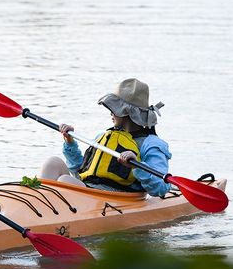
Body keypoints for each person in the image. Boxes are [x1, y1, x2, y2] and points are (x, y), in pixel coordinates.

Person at [40, 78, 172, 197]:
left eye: (113, 108)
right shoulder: (103, 137)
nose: (110, 112)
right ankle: (38, 207)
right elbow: (79, 172)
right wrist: (70, 142)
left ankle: (50, 214)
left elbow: (160, 188)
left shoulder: (152, 144)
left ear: (126, 112)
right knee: (52, 163)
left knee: (65, 181)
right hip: (89, 190)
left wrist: (136, 165)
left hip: (118, 199)